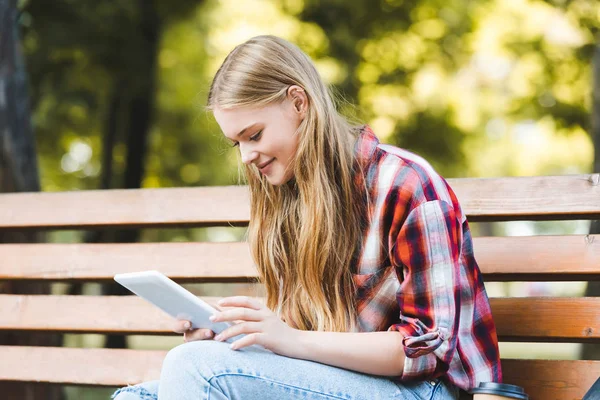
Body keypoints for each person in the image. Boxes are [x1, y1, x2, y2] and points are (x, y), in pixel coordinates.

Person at [112, 35, 501, 400]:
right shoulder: (286, 197)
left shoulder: (406, 185)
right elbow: (304, 338)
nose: (245, 156)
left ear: (299, 103)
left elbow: (426, 352)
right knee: (136, 396)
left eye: (254, 135)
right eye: (237, 143)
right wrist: (235, 339)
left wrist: (287, 340)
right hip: (341, 379)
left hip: (425, 390)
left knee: (196, 369)